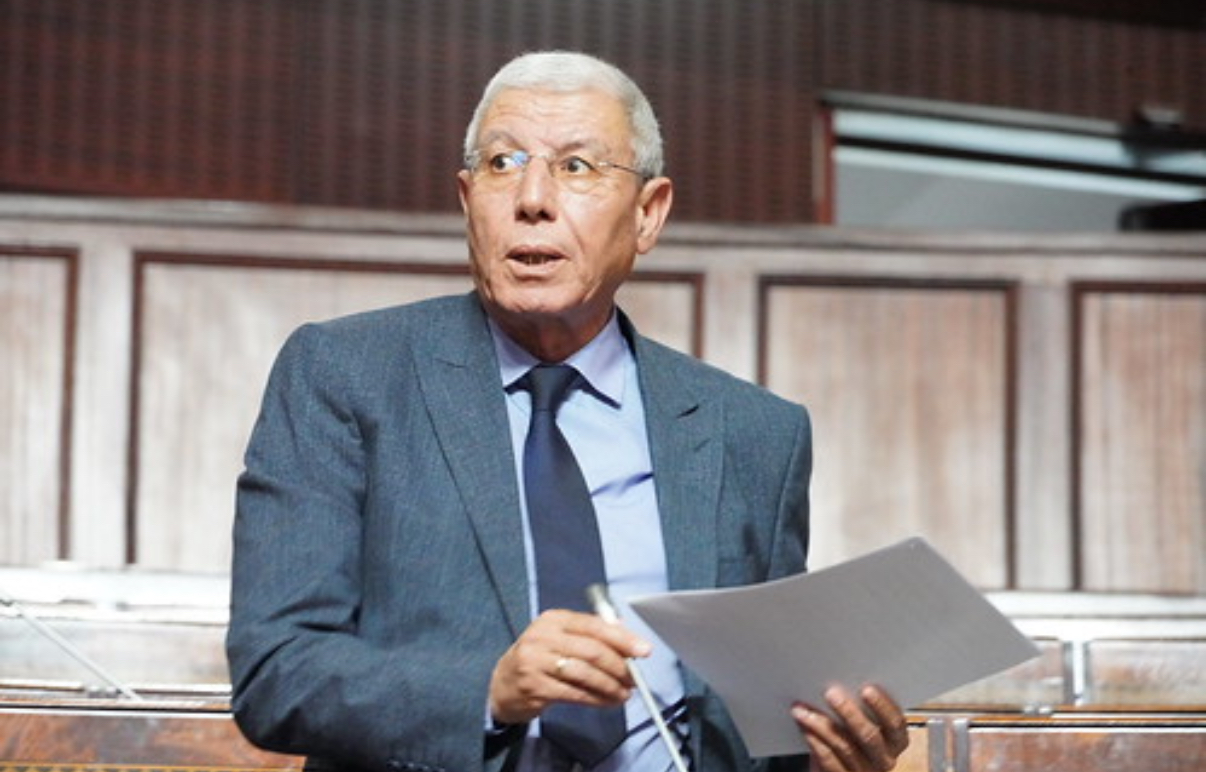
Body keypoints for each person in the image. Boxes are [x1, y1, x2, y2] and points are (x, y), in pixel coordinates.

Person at [226, 50, 909, 772]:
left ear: (648, 214)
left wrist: (829, 757)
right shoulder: (347, 375)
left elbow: (759, 724)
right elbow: (276, 672)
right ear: (467, 200)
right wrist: (488, 692)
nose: (532, 198)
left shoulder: (755, 433)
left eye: (577, 166)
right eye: (502, 163)